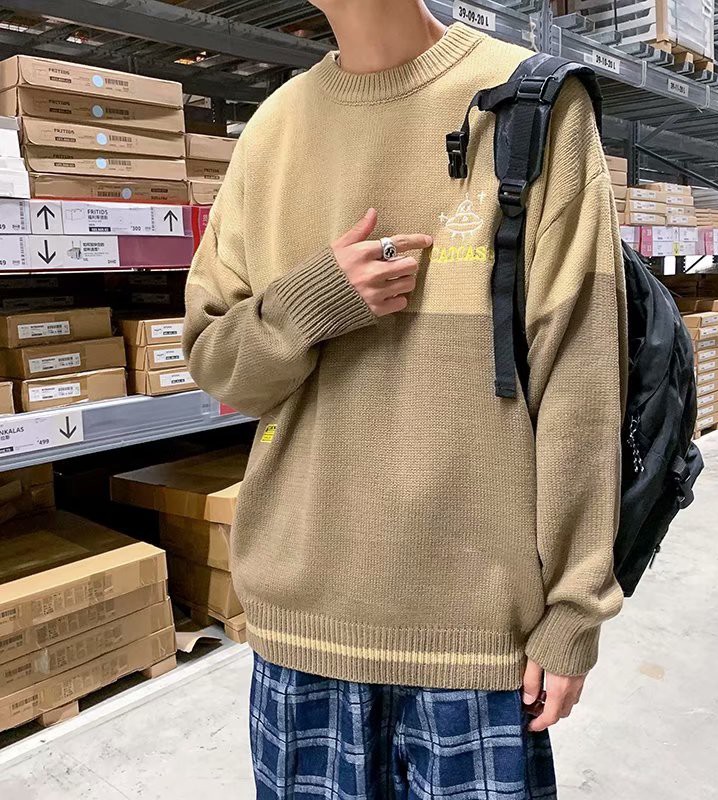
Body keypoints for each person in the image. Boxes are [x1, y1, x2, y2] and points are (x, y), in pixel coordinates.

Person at [183, 0, 626, 796]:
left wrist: (574, 609)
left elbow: (581, 385)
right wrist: (312, 302)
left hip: (475, 635)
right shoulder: (273, 131)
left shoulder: (530, 103)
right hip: (302, 623)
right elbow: (220, 367)